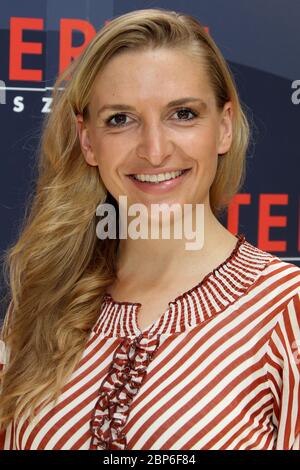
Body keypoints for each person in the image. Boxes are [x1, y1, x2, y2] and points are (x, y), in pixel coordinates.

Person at [0, 8, 299, 451]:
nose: (155, 151)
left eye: (182, 113)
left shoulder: (287, 312)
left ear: (224, 127)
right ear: (88, 141)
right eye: (120, 119)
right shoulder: (45, 297)